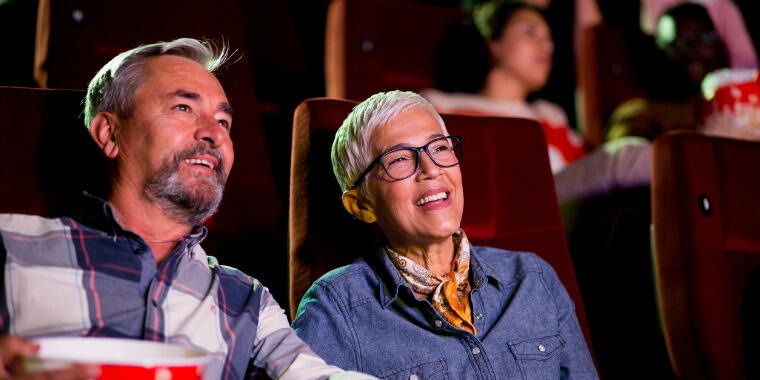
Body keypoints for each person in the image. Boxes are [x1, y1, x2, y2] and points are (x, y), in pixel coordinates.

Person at [0, 38, 375, 380]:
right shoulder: (10, 246)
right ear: (110, 134)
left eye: (224, 121)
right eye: (183, 107)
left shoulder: (246, 299)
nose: (215, 134)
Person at [291, 90, 598, 379]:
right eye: (399, 159)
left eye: (439, 148)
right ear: (361, 205)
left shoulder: (534, 277)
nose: (431, 168)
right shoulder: (334, 311)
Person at [424, 0, 651, 201]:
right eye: (530, 32)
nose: (547, 46)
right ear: (493, 41)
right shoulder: (441, 106)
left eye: (549, 38)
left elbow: (583, 171)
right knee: (623, 157)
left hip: (561, 210)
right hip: (495, 206)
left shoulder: (550, 115)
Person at [605, 2, 731, 142]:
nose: (693, 52)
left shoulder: (746, 103)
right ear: (658, 52)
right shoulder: (642, 113)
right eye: (677, 45)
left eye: (705, 38)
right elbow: (629, 154)